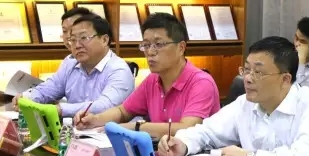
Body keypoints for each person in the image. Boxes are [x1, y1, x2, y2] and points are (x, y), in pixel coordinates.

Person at [158, 36, 309, 156]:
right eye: (246, 70)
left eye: (258, 72)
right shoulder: (244, 103)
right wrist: (183, 144)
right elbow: (207, 132)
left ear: (285, 79)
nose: (248, 78)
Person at [75, 13, 220, 137]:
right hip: (161, 154)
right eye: (146, 45)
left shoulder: (201, 83)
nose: (150, 52)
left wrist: (138, 127)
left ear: (181, 48)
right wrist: (95, 119)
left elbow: (187, 129)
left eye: (159, 44)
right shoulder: (153, 79)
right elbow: (123, 111)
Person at [13, 14, 134, 118]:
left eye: (83, 38)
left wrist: (61, 109)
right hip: (76, 133)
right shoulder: (71, 63)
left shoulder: (119, 70)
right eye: (73, 40)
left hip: (109, 134)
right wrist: (28, 98)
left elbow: (105, 106)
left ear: (104, 40)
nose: (77, 45)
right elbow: (49, 88)